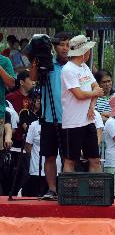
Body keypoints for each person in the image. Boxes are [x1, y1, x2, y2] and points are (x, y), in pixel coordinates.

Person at [31, 32, 71, 201]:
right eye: (62, 44)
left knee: (68, 157)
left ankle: (67, 190)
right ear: (55, 47)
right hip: (49, 117)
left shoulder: (74, 66)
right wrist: (36, 61)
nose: (65, 48)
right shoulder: (48, 64)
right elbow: (33, 78)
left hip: (70, 119)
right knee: (50, 155)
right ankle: (52, 189)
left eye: (68, 45)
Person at [60, 35, 103, 174]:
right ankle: (69, 193)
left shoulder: (84, 67)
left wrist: (91, 106)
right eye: (88, 50)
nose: (90, 53)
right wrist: (94, 94)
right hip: (72, 123)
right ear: (84, 52)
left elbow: (97, 88)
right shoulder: (68, 69)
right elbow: (79, 94)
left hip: (88, 120)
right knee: (70, 159)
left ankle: (96, 193)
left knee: (95, 159)